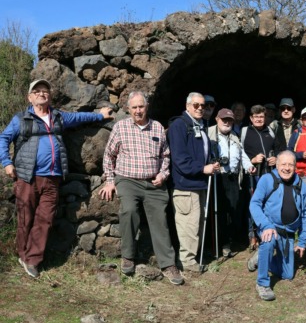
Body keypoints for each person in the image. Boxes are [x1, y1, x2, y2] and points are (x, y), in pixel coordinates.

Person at [0, 79, 113, 278]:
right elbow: (3, 138)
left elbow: (78, 117)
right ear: (29, 97)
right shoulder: (21, 119)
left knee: (45, 219)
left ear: (50, 96)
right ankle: (22, 253)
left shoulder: (58, 116)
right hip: (27, 177)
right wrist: (7, 163)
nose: (41, 94)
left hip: (52, 178)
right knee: (25, 217)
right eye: (37, 91)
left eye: (45, 91)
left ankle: (32, 259)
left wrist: (100, 115)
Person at [98, 91, 183, 285]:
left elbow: (165, 156)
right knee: (129, 211)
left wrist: (163, 174)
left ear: (147, 107)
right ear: (128, 109)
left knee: (160, 220)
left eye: (141, 106)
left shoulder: (157, 127)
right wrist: (110, 181)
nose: (138, 110)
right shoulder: (120, 127)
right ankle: (128, 256)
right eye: (134, 107)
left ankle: (168, 264)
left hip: (153, 183)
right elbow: (109, 155)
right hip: (128, 180)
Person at [167, 92, 221, 272]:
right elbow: (180, 158)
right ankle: (187, 261)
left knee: (197, 222)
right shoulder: (179, 126)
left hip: (199, 183)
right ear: (187, 106)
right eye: (196, 105)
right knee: (188, 224)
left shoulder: (199, 125)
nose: (200, 108)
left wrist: (210, 163)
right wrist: (202, 168)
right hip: (185, 185)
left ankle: (192, 258)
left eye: (203, 105)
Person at [247, 150, 306, 301]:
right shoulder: (267, 180)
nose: (287, 168)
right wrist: (265, 225)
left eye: (290, 165)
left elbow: (304, 214)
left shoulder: (302, 185)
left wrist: (302, 240)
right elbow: (254, 204)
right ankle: (262, 283)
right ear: (277, 165)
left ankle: (261, 259)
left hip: (288, 233)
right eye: (283, 164)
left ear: (295, 166)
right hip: (270, 227)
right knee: (268, 241)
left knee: (288, 275)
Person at [208, 108, 256, 256]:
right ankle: (219, 243)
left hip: (233, 178)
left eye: (229, 120)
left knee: (233, 210)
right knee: (219, 211)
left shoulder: (235, 136)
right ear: (217, 119)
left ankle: (228, 240)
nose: (227, 123)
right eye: (224, 120)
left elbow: (242, 155)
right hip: (217, 177)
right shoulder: (209, 134)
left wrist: (249, 166)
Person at [241, 105, 277, 249]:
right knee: (253, 204)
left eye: (261, 116)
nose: (259, 119)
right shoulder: (245, 132)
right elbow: (240, 153)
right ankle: (252, 235)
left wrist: (276, 158)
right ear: (251, 118)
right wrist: (252, 160)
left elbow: (279, 148)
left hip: (268, 174)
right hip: (253, 175)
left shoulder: (270, 131)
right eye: (256, 117)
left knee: (268, 204)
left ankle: (266, 233)